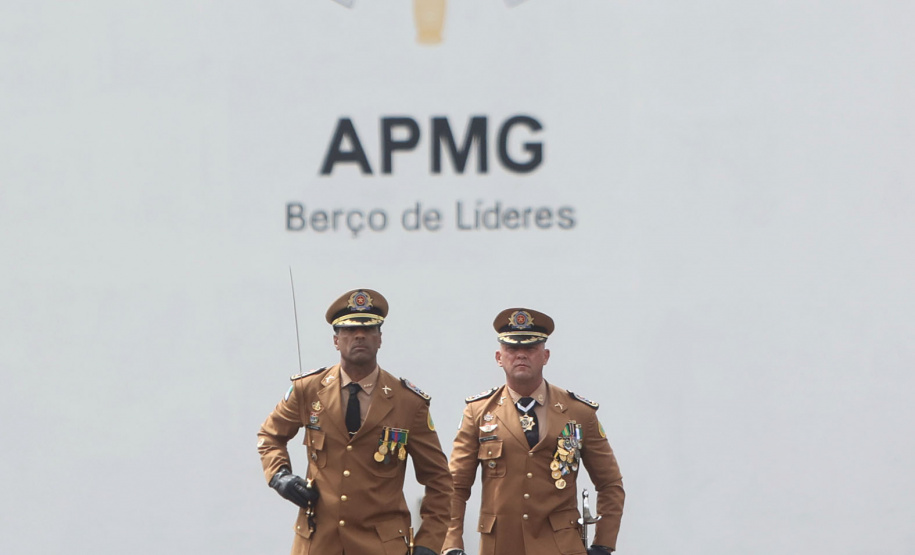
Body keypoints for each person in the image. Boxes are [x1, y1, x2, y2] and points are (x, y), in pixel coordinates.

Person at [257, 288, 452, 555]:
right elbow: (270, 436)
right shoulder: (309, 390)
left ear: (380, 338)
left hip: (380, 546)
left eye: (368, 329)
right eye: (348, 330)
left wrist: (429, 543)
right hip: (318, 542)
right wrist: (280, 476)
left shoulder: (409, 403)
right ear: (336, 340)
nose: (359, 336)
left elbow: (440, 481)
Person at [443, 308, 625, 555]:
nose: (520, 355)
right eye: (511, 349)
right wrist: (451, 543)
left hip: (561, 547)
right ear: (498, 357)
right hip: (501, 545)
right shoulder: (478, 412)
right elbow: (455, 487)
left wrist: (603, 543)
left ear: (545, 355)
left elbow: (610, 483)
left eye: (529, 349)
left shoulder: (578, 412)